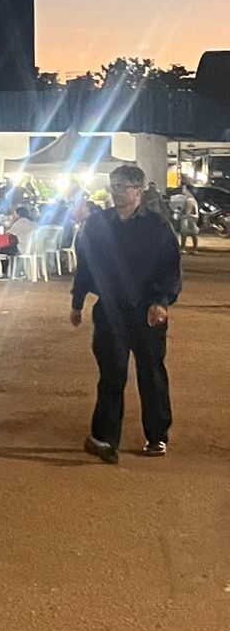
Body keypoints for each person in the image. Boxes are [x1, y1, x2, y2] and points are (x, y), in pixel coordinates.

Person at [71, 163, 182, 463]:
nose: (117, 193)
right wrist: (77, 300)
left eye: (124, 188)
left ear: (138, 190)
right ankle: (105, 439)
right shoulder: (97, 224)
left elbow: (170, 267)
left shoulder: (156, 226)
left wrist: (160, 302)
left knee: (151, 373)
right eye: (114, 187)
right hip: (110, 310)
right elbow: (86, 263)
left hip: (146, 312)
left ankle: (157, 436)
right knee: (111, 374)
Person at [169, 184, 200, 251]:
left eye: (184, 188)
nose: (183, 190)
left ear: (188, 190)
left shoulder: (189, 200)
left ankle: (183, 248)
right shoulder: (191, 199)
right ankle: (194, 249)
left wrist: (180, 213)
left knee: (184, 233)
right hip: (192, 217)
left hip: (187, 218)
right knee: (193, 233)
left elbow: (188, 211)